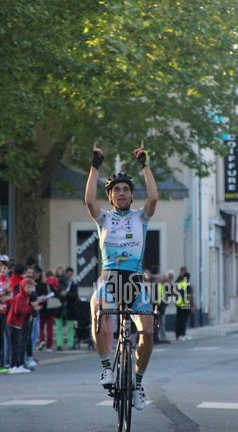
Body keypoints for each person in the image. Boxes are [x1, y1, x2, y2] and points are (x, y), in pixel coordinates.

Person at [85, 140, 158, 411]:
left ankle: (137, 383)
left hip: (135, 283)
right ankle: (107, 367)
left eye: (126, 189)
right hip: (109, 281)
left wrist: (145, 165)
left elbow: (153, 198)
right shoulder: (104, 219)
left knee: (147, 331)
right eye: (117, 189)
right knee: (97, 309)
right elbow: (89, 200)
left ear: (131, 195)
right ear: (110, 196)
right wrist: (95, 167)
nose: (122, 192)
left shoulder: (141, 217)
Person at [7, 278, 41, 373]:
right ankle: (14, 365)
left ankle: (19, 364)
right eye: (28, 287)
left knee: (21, 344)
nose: (30, 289)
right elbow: (18, 310)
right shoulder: (20, 296)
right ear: (23, 287)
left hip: (20, 322)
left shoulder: (26, 296)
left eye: (31, 287)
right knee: (16, 345)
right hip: (14, 322)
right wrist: (31, 307)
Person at [56, 266, 79, 351]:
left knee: (70, 327)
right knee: (59, 326)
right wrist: (60, 294)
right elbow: (56, 293)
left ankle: (70, 344)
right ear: (65, 274)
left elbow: (75, 296)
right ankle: (59, 344)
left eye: (71, 274)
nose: (69, 275)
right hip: (60, 307)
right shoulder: (61, 283)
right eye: (68, 273)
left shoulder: (74, 284)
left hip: (70, 308)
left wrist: (67, 293)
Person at [174, 268, 193, 340]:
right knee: (184, 320)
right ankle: (183, 334)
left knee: (179, 320)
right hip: (185, 304)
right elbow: (189, 297)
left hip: (179, 303)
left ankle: (178, 335)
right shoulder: (187, 285)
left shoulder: (179, 283)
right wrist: (191, 306)